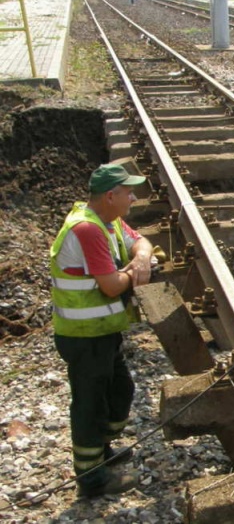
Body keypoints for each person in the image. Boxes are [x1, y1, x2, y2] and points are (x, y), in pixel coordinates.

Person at [49, 163, 153, 497]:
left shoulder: (107, 222)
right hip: (84, 336)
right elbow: (110, 286)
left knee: (120, 390)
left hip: (103, 331)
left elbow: (140, 240)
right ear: (111, 195)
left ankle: (101, 452)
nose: (134, 199)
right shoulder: (89, 230)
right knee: (90, 403)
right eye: (128, 193)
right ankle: (91, 480)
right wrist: (135, 272)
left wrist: (141, 258)